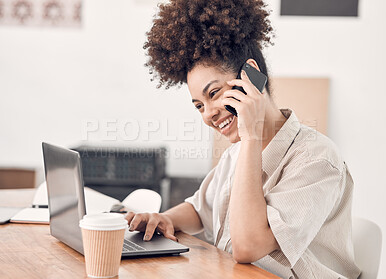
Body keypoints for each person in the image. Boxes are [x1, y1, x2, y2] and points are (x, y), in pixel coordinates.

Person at [125, 0, 361, 278]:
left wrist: (251, 136)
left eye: (213, 94)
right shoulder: (235, 155)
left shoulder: (317, 160)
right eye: (199, 106)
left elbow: (248, 247)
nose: (208, 115)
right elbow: (200, 208)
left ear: (251, 75)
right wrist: (166, 218)